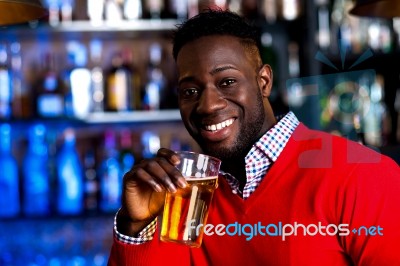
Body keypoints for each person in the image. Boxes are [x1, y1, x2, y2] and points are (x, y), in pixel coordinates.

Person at [108, 9, 400, 265]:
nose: (207, 105)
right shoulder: (188, 196)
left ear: (263, 82)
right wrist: (137, 224)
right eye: (190, 91)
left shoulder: (364, 175)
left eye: (227, 82)